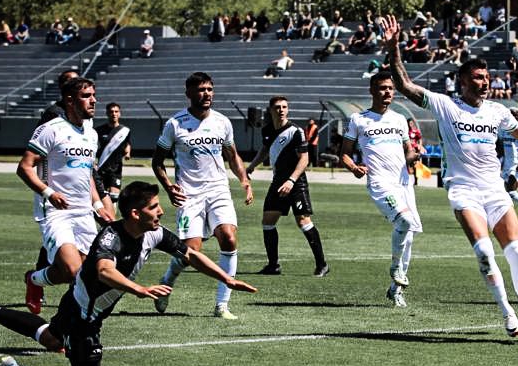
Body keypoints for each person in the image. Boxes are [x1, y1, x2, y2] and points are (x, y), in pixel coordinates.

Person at [379, 14, 518, 344]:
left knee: (517, 255)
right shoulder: (446, 105)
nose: (484, 81)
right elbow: (405, 85)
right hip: (464, 192)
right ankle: (508, 313)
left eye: (487, 77)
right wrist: (394, 50)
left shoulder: (497, 112)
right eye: (477, 77)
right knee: (485, 254)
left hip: (495, 191)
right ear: (463, 81)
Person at [0, 181, 257, 366]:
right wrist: (139, 289)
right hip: (84, 316)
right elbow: (105, 271)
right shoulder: (110, 238)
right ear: (135, 213)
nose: (160, 212)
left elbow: (191, 254)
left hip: (80, 303)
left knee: (53, 339)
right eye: (154, 207)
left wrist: (226, 279)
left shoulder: (155, 233)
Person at [151, 72, 254, 320]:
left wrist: (244, 180)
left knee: (228, 238)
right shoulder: (175, 124)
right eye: (200, 90)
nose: (206, 94)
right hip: (189, 195)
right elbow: (157, 162)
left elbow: (232, 155)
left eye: (209, 89)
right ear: (189, 93)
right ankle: (167, 282)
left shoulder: (222, 122)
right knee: (190, 252)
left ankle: (222, 305)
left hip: (219, 191)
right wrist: (168, 187)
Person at [18, 77, 113, 316]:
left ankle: (35, 280)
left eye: (93, 95)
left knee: (84, 274)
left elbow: (86, 172)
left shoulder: (91, 133)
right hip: (55, 212)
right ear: (69, 100)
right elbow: (25, 167)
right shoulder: (51, 129)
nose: (93, 100)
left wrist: (97, 204)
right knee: (72, 270)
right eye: (86, 96)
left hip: (84, 213)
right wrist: (48, 193)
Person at [339, 71, 423, 307]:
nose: (388, 92)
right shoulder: (359, 119)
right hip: (380, 183)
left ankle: (396, 289)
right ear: (372, 90)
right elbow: (343, 153)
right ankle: (396, 268)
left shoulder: (399, 119)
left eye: (391, 88)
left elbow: (407, 150)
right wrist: (354, 167)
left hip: (404, 183)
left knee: (409, 236)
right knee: (404, 222)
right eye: (383, 88)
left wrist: (413, 156)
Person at [246, 96, 329, 277]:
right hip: (277, 182)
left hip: (296, 183)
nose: (281, 110)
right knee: (268, 221)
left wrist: (291, 181)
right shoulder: (267, 130)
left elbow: (305, 159)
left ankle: (322, 264)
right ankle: (273, 265)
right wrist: (252, 165)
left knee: (303, 222)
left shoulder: (296, 131)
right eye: (277, 107)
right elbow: (265, 149)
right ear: (270, 110)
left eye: (284, 107)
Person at [94, 102, 132, 204]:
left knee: (114, 197)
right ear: (107, 113)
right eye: (111, 112)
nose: (114, 114)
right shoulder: (98, 130)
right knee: (101, 198)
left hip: (116, 169)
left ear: (119, 113)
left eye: (116, 111)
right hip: (101, 169)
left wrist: (127, 152)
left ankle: (111, 219)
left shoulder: (125, 131)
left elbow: (128, 143)